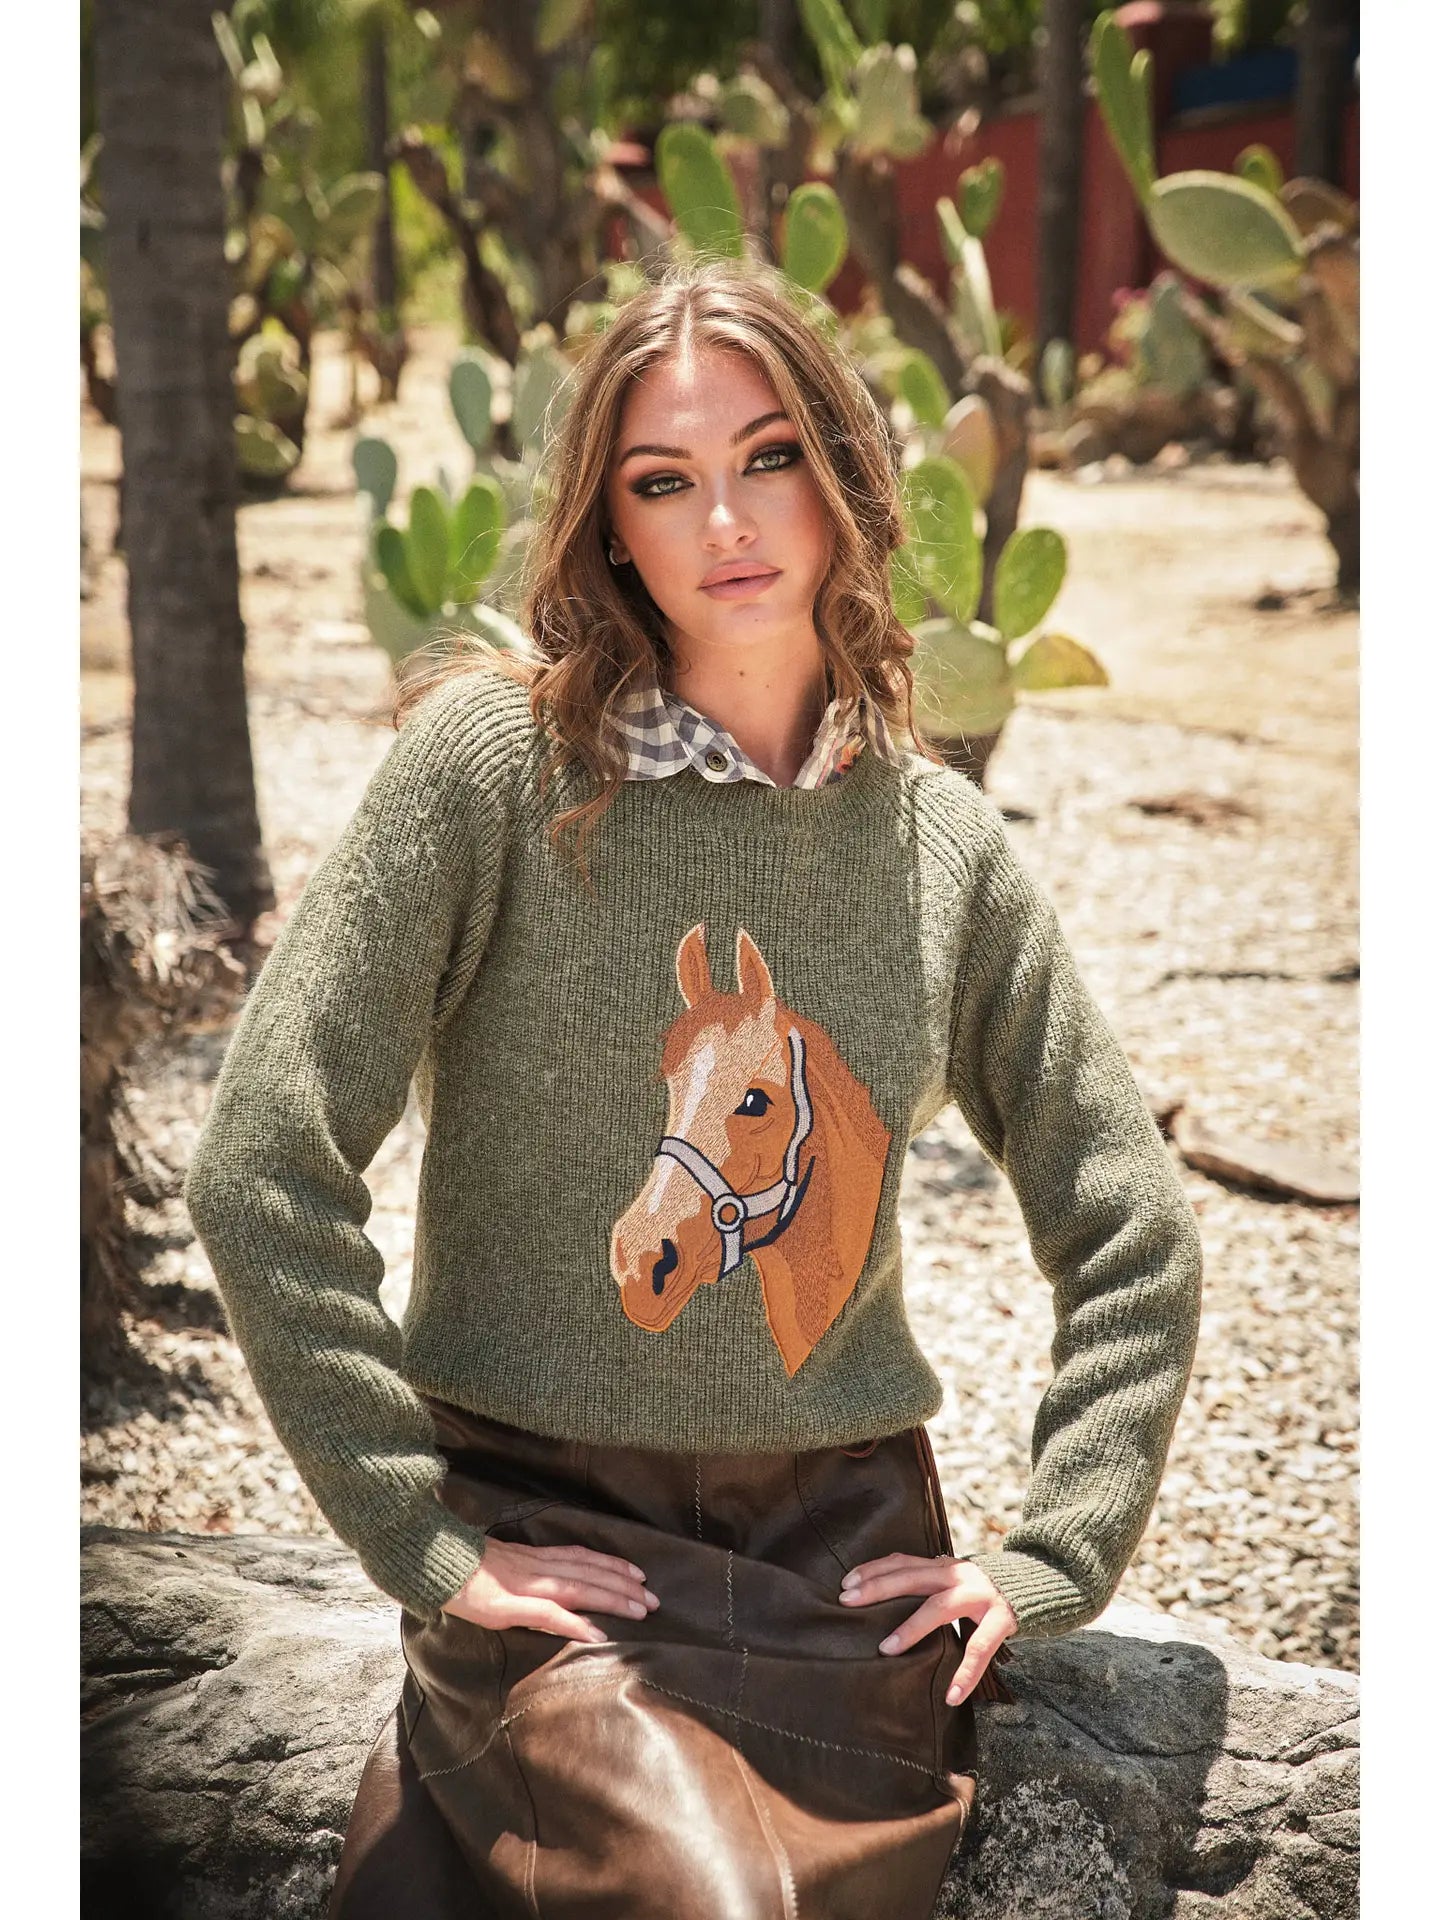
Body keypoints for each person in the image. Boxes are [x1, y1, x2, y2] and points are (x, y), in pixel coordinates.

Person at [183, 258, 1203, 1918]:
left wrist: (1052, 1554)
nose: (726, 517)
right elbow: (258, 1165)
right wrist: (423, 1537)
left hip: (848, 1563)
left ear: (847, 481)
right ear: (610, 527)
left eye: (770, 455)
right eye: (665, 480)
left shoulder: (947, 850)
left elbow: (1134, 1232)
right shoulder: (493, 778)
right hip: (555, 1537)